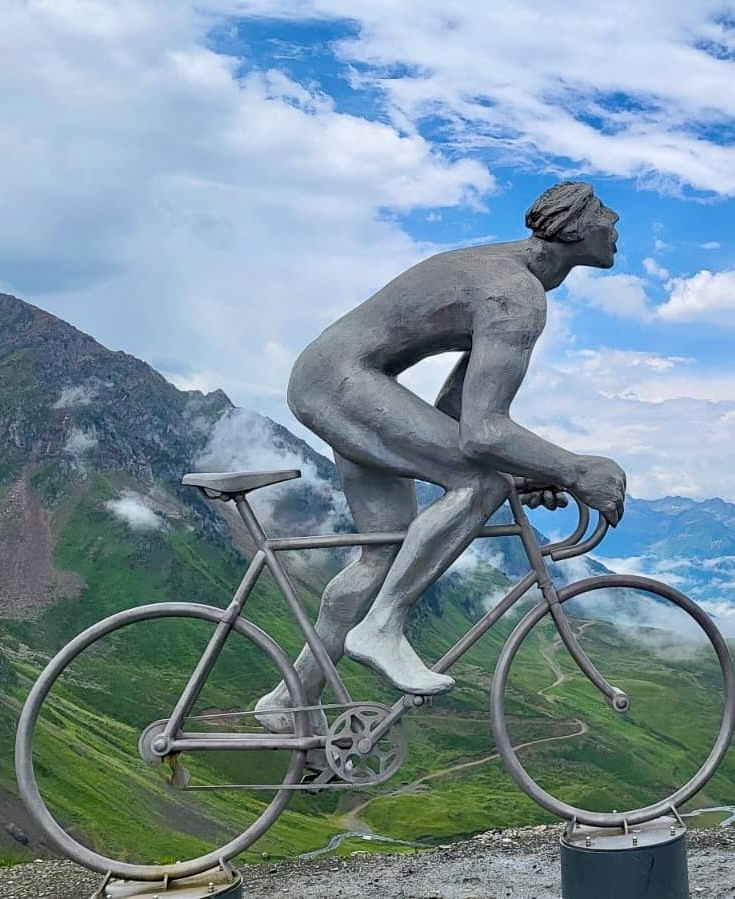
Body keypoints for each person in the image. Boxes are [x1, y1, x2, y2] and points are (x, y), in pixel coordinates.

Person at [254, 182, 627, 731]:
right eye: (605, 213)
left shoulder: (502, 277)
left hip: (334, 378)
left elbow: (455, 415)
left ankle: (289, 703)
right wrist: (577, 469)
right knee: (479, 487)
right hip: (342, 382)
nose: (615, 221)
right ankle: (384, 626)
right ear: (576, 228)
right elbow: (482, 435)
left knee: (381, 554)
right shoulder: (516, 295)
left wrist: (534, 471)